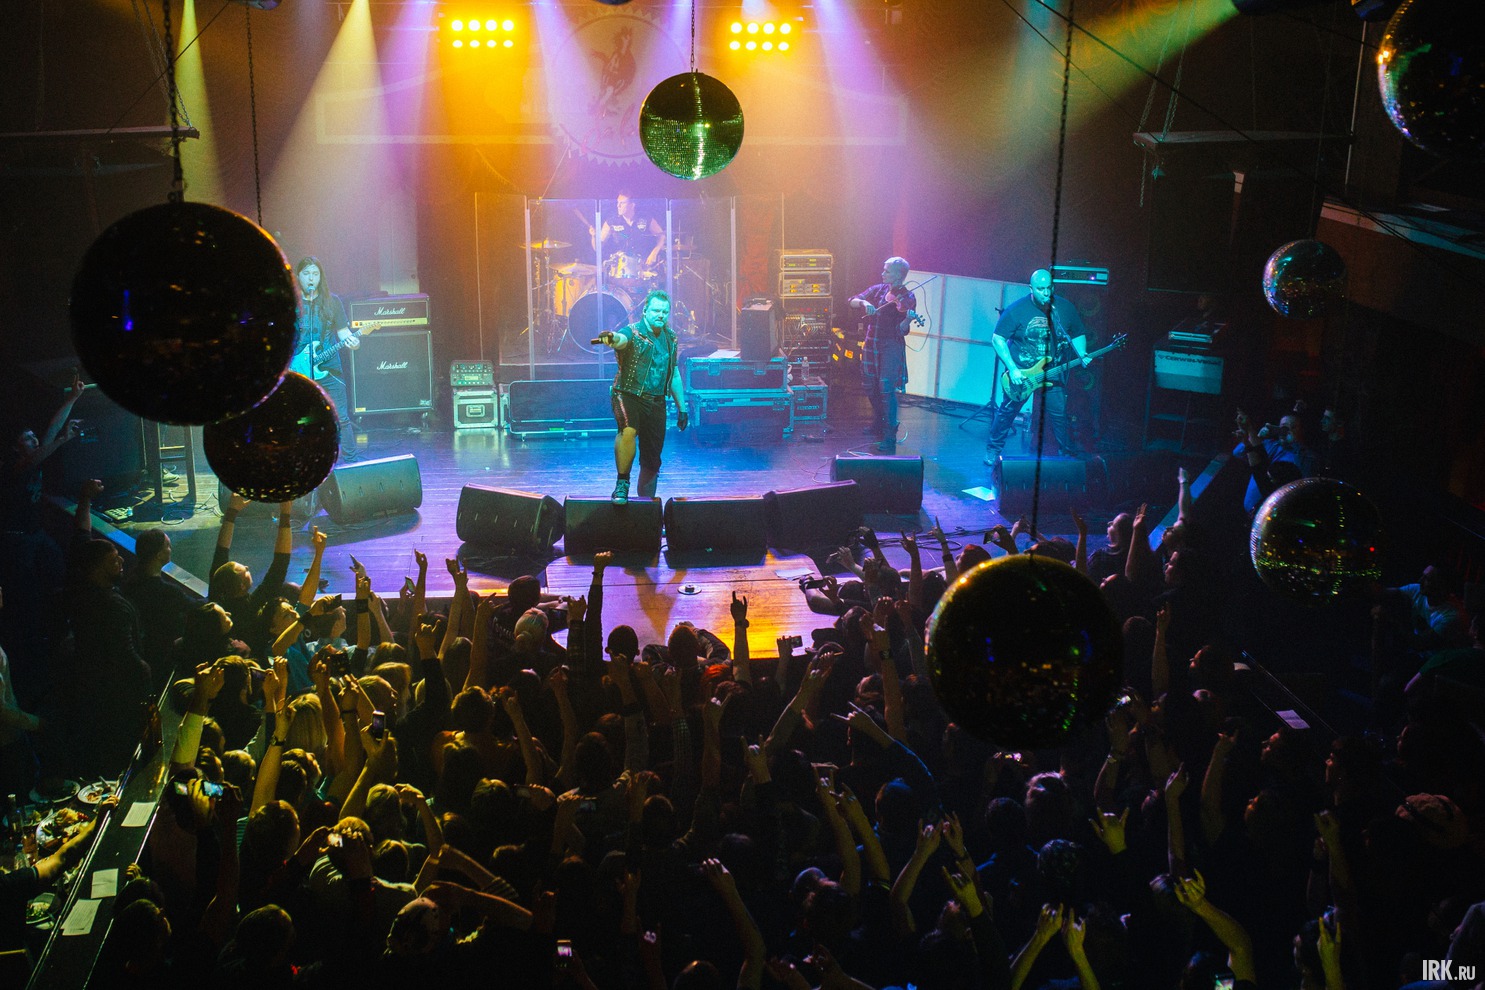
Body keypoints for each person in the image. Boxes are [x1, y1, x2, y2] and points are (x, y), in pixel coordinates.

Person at [984, 268, 1090, 465]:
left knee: (1059, 415)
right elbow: (998, 339)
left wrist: (1081, 352)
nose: (1046, 293)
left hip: (1051, 372)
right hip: (1022, 374)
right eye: (1041, 289)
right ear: (1031, 288)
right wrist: (1012, 369)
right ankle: (992, 450)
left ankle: (1068, 455)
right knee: (1007, 413)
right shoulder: (1016, 310)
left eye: (1049, 288)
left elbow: (1077, 332)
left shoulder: (1064, 308)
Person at [597, 290, 687, 503]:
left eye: (665, 311)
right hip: (628, 394)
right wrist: (612, 338)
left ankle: (646, 506)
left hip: (656, 400)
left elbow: (674, 373)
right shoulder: (633, 331)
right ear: (645, 311)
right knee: (628, 430)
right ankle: (622, 483)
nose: (661, 315)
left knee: (652, 460)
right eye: (656, 310)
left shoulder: (671, 338)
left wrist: (682, 408)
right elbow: (620, 340)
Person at [289, 256, 360, 462]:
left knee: (341, 418)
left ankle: (351, 463)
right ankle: (302, 462)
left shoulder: (332, 302)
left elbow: (343, 332)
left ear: (321, 277)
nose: (311, 278)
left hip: (330, 370)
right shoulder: (292, 303)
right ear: (298, 276)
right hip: (298, 370)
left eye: (315, 274)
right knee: (300, 419)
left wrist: (353, 342)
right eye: (306, 274)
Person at [849, 257, 919, 453]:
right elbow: (852, 301)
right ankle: (879, 421)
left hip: (891, 344)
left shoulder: (908, 297)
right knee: (869, 384)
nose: (882, 273)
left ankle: (890, 435)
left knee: (886, 387)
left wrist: (907, 319)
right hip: (872, 340)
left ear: (898, 275)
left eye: (887, 271)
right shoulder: (878, 290)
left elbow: (902, 330)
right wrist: (864, 303)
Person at [588, 192, 664, 272]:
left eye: (622, 203)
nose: (618, 206)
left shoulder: (645, 218)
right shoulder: (611, 222)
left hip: (643, 267)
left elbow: (662, 235)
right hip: (619, 269)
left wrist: (655, 252)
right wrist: (594, 236)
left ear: (632, 205)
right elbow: (597, 248)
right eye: (618, 202)